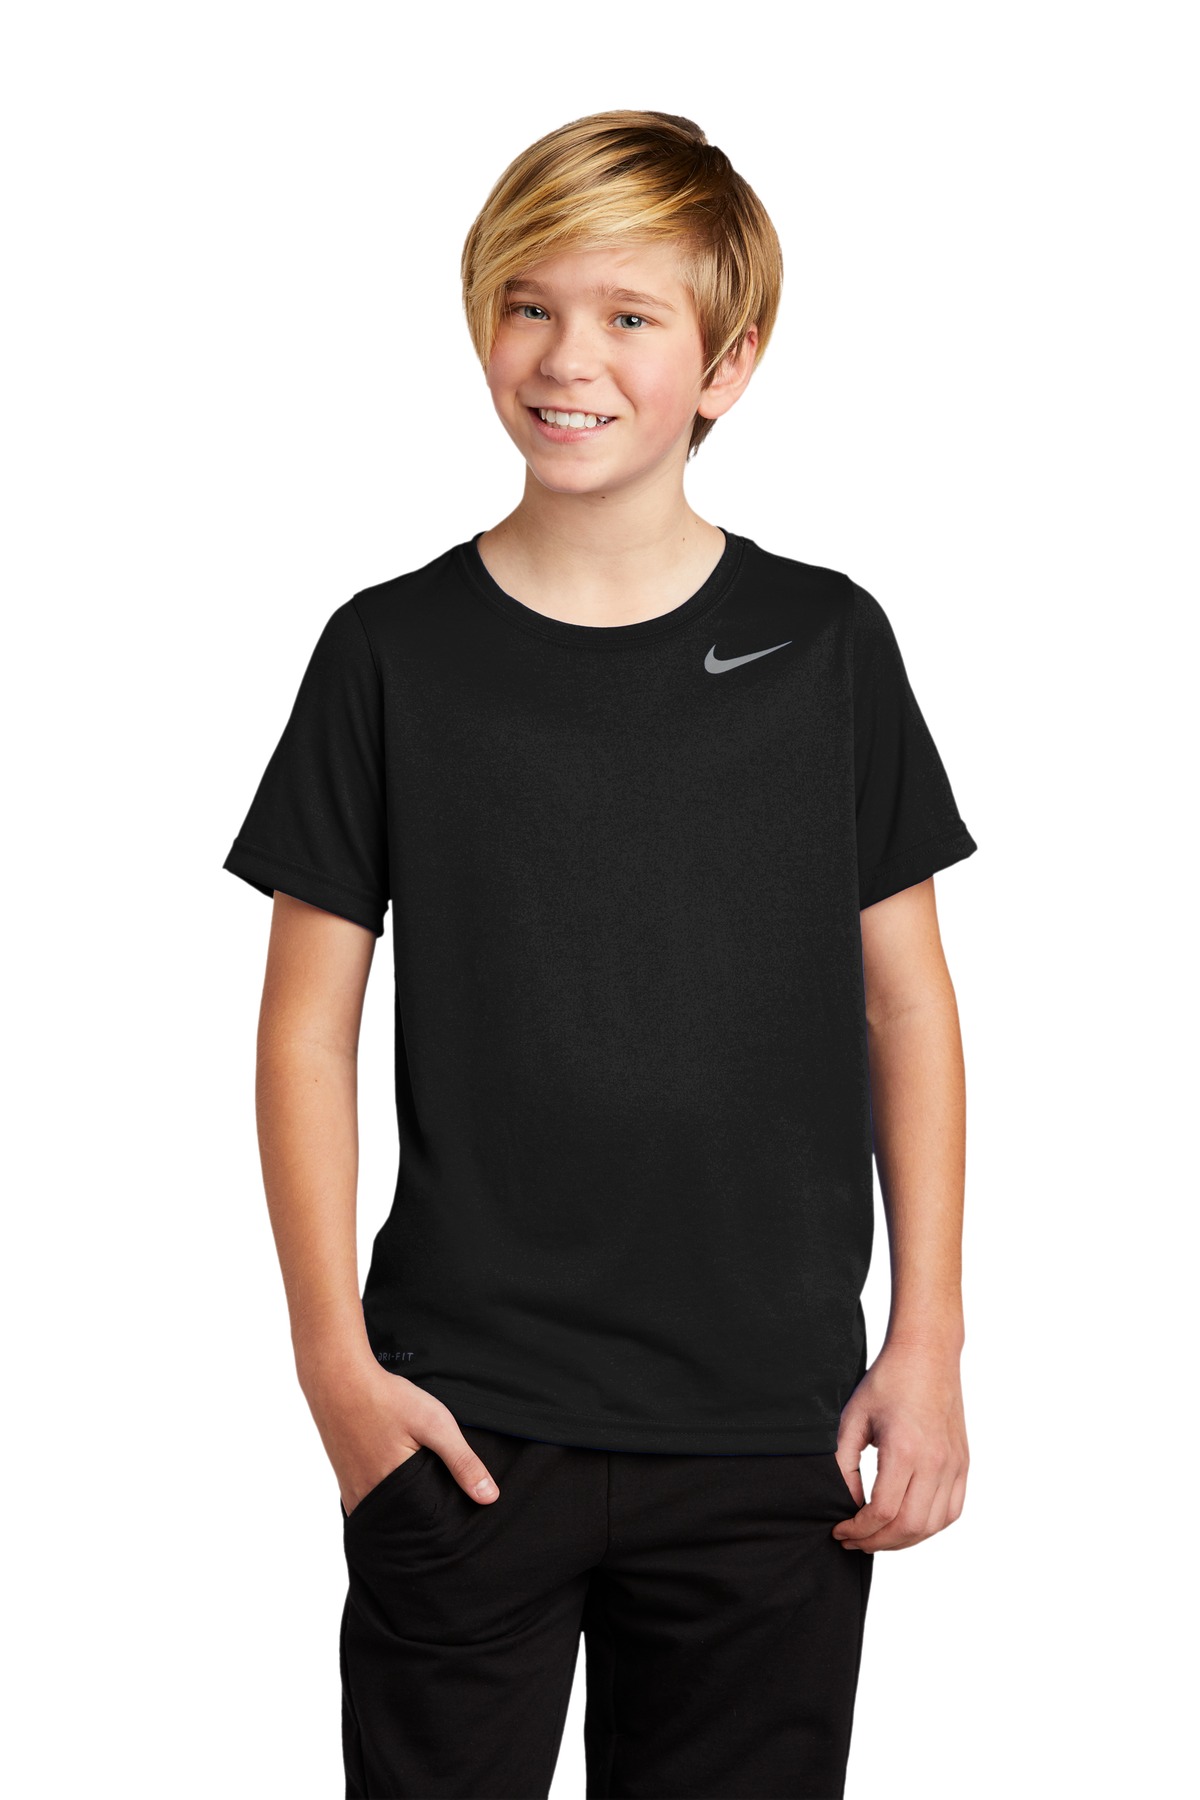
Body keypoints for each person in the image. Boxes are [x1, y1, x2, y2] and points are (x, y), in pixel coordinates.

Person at [222, 109, 978, 1800]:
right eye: (530, 304)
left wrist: (926, 1344)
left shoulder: (827, 644)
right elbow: (304, 1035)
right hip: (462, 1424)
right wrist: (334, 1367)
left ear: (729, 362)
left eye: (630, 316)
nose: (567, 357)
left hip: (769, 1425)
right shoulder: (388, 652)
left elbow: (907, 1005)